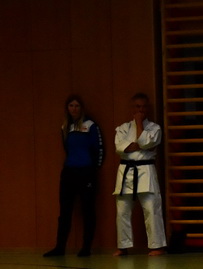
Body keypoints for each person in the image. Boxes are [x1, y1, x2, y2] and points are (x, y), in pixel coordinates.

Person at [44, 95, 104, 257]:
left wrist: (93, 170)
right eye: (71, 105)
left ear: (81, 108)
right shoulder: (65, 127)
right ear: (67, 108)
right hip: (69, 172)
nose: (74, 109)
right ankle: (60, 247)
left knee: (87, 210)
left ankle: (86, 247)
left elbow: (99, 149)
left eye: (77, 106)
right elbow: (67, 149)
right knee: (64, 211)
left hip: (86, 172)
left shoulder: (90, 126)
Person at [113, 93, 167, 256]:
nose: (140, 110)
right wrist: (141, 146)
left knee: (151, 209)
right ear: (132, 108)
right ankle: (123, 246)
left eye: (143, 106)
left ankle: (156, 246)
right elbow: (121, 148)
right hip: (126, 171)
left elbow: (144, 142)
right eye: (137, 106)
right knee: (122, 211)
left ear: (147, 109)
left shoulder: (155, 128)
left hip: (146, 171)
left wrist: (139, 126)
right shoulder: (122, 128)